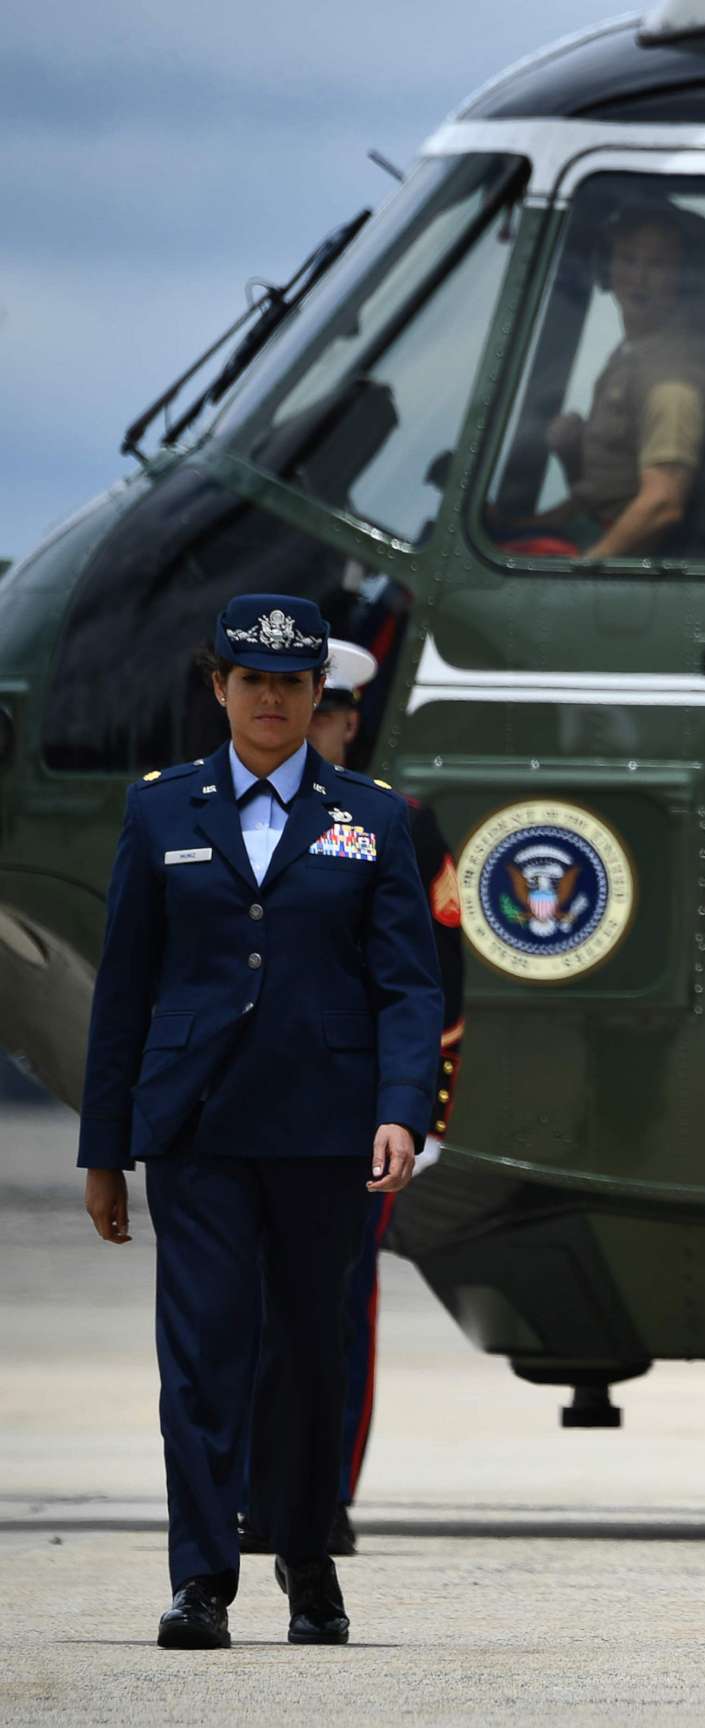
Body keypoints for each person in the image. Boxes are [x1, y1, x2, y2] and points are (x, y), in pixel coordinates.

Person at [77, 593, 443, 1649]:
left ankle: (305, 1555)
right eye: (252, 681)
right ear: (220, 689)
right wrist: (106, 1151)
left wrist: (400, 1113)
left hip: (326, 1132)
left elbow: (408, 987)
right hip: (199, 1131)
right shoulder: (162, 810)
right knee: (200, 1354)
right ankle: (202, 1577)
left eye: (291, 683)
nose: (272, 699)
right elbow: (125, 995)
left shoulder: (370, 817)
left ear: (317, 692)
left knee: (310, 1355)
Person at [242, 639, 467, 1557]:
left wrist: (422, 1113)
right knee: (237, 1306)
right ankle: (250, 1490)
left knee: (334, 1306)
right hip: (239, 1109)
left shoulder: (398, 825)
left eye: (325, 711)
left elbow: (439, 986)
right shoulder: (207, 810)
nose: (310, 724)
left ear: (346, 719)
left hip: (353, 1117)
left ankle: (322, 1496)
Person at [532, 201, 705, 561]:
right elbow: (605, 494)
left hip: (619, 553)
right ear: (606, 270)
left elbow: (662, 504)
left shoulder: (672, 380)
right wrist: (569, 458)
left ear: (685, 279)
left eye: (658, 265)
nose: (639, 278)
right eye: (627, 259)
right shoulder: (632, 355)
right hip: (592, 528)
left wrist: (578, 572)